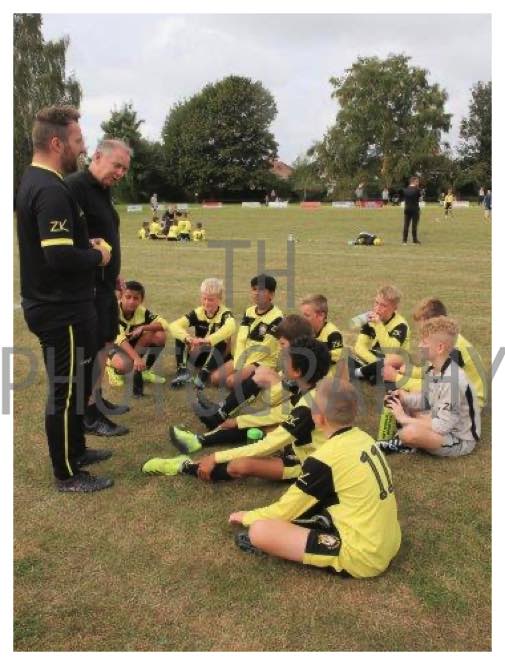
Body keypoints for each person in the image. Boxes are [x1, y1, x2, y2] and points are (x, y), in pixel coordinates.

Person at [16, 105, 113, 492]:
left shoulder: (40, 181)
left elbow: (56, 246)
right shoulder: (51, 189)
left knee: (75, 384)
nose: (84, 147)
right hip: (59, 309)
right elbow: (58, 257)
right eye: (78, 140)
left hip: (63, 305)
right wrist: (97, 256)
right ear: (57, 143)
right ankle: (67, 474)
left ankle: (78, 451)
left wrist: (84, 243)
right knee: (65, 390)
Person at [228, 378, 402, 579]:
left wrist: (247, 517)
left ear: (318, 418)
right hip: (390, 541)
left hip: (364, 556)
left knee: (260, 531)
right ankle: (326, 525)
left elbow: (286, 509)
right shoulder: (365, 438)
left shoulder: (324, 459)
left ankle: (331, 539)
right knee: (317, 502)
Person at [142, 337, 331, 484]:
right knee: (257, 427)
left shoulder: (308, 406)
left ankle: (183, 466)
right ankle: (197, 441)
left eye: (287, 358)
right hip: (295, 443)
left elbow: (267, 446)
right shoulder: (306, 387)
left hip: (304, 464)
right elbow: (277, 415)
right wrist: (239, 421)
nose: (283, 359)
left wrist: (216, 457)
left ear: (297, 371)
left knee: (241, 466)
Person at [167, 315, 316, 455]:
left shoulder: (307, 372)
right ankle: (217, 416)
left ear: (297, 343)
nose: (279, 347)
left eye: (282, 343)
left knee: (266, 427)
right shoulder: (298, 362)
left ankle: (204, 434)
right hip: (290, 412)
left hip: (300, 428)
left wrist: (239, 421)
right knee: (262, 376)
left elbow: (282, 411)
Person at [66, 138, 132, 438]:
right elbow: (68, 238)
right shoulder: (75, 187)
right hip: (87, 288)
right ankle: (88, 414)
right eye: (117, 165)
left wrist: (114, 272)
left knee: (105, 343)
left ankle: (96, 398)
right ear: (96, 157)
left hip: (105, 284)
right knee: (91, 351)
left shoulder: (103, 190)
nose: (120, 173)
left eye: (125, 169)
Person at [378, 317, 481, 457]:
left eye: (424, 343)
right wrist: (404, 398)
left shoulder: (453, 381)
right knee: (406, 397)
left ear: (440, 348)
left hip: (458, 438)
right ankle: (410, 436)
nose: (419, 346)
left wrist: (404, 418)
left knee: (409, 433)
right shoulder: (433, 369)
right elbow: (427, 400)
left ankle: (405, 442)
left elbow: (442, 427)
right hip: (440, 420)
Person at [382, 297, 486, 408]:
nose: (421, 334)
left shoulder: (453, 349)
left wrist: (397, 378)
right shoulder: (446, 340)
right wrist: (408, 371)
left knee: (408, 397)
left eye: (424, 329)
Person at [168, 278, 236, 389]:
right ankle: (182, 372)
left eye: (211, 300)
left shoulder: (225, 314)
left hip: (219, 357)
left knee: (221, 340)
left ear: (219, 299)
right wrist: (187, 338)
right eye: (204, 298)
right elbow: (173, 325)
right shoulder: (198, 312)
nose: (206, 303)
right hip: (201, 354)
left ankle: (203, 376)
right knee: (180, 336)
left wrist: (207, 340)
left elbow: (231, 327)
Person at [107, 281, 168, 396]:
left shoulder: (142, 312)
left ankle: (145, 370)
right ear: (121, 296)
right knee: (125, 365)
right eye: (128, 297)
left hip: (129, 344)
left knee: (159, 335)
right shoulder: (112, 311)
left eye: (136, 298)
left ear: (141, 300)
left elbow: (164, 324)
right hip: (111, 345)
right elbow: (120, 339)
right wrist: (136, 358)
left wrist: (143, 327)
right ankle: (112, 367)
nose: (131, 301)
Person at [351, 285, 410, 385]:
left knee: (386, 372)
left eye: (383, 305)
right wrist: (374, 363)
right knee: (344, 356)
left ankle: (364, 372)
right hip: (377, 359)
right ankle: (367, 372)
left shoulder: (401, 325)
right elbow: (359, 347)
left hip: (394, 363)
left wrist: (378, 325)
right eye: (376, 303)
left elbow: (391, 350)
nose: (377, 308)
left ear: (394, 308)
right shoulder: (370, 319)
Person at [402, 176, 421, 244]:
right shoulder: (417, 190)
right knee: (414, 225)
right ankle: (414, 240)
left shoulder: (405, 190)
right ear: (414, 182)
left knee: (406, 225)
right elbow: (418, 198)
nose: (418, 183)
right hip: (415, 209)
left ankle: (404, 240)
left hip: (407, 209)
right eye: (417, 181)